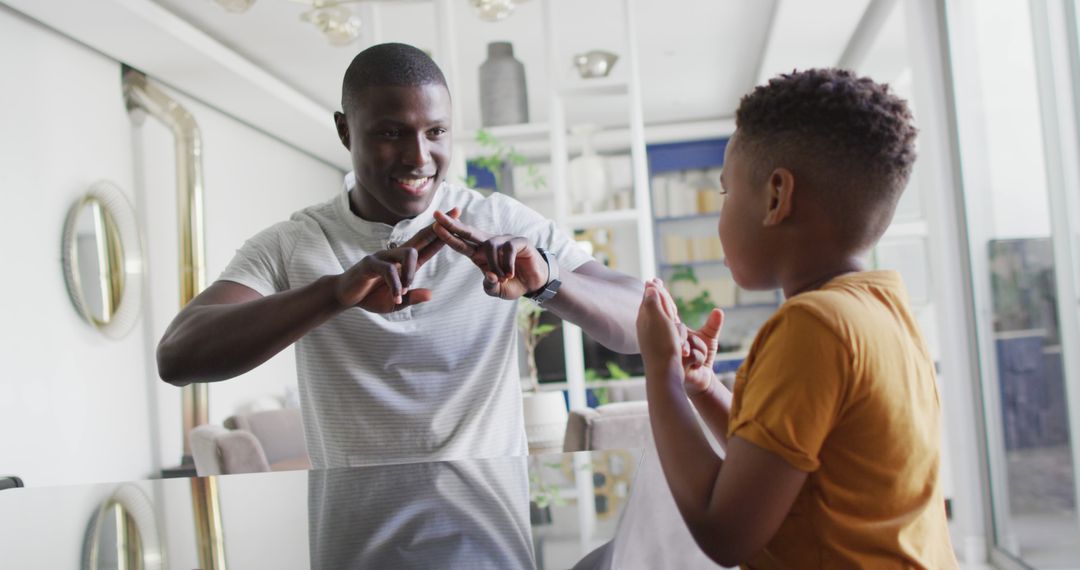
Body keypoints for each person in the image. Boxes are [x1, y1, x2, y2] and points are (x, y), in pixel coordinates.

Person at [157, 43, 643, 468]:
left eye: (436, 132)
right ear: (346, 132)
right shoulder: (295, 242)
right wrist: (334, 294)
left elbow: (639, 322)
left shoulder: (499, 223)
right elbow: (178, 356)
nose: (418, 157)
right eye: (391, 133)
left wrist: (547, 280)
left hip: (488, 527)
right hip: (354, 533)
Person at [635, 68, 957, 568]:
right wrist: (701, 388)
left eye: (726, 193)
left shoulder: (811, 326)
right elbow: (779, 462)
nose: (722, 213)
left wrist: (659, 373)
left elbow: (725, 532)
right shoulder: (882, 306)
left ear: (776, 196)